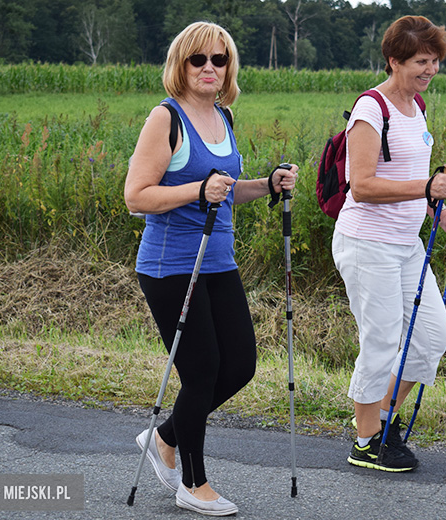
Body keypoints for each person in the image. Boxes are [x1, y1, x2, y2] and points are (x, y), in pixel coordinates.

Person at [124, 21, 298, 516]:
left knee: (240, 365)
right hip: (170, 264)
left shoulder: (224, 116)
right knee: (201, 371)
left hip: (218, 260)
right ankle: (192, 483)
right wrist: (195, 191)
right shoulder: (167, 118)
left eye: (218, 60)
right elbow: (136, 196)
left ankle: (164, 437)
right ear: (181, 64)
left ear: (229, 67)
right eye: (197, 59)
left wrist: (267, 184)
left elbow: (227, 187)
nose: (208, 68)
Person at [331, 15, 446, 472]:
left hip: (406, 245)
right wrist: (427, 189)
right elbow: (364, 186)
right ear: (394, 61)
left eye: (435, 61)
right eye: (420, 61)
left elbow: (424, 188)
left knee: (433, 335)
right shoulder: (372, 110)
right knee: (381, 341)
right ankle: (365, 441)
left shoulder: (419, 108)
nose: (430, 70)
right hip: (366, 242)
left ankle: (384, 419)